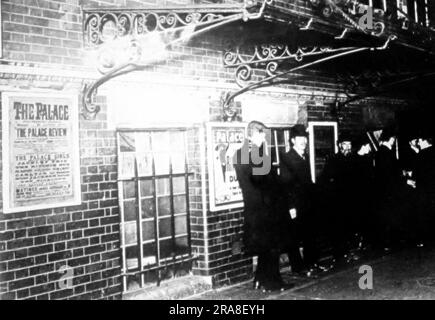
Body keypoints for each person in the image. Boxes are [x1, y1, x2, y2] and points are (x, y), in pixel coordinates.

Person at [233, 121, 292, 292]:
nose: (265, 137)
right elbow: (262, 182)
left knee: (265, 247)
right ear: (253, 134)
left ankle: (260, 279)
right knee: (272, 246)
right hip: (264, 209)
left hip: (255, 209)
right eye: (262, 134)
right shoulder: (254, 155)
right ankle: (273, 282)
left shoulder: (242, 154)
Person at [278, 124, 320, 274]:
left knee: (309, 234)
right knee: (294, 237)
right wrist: (291, 207)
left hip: (307, 203)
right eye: (299, 138)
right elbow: (285, 185)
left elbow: (306, 182)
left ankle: (311, 263)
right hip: (295, 205)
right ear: (293, 141)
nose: (303, 141)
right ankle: (298, 267)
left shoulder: (305, 156)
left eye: (305, 138)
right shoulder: (287, 158)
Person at [320, 132, 359, 264]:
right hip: (337, 200)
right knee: (338, 229)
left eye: (349, 144)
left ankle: (349, 252)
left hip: (351, 199)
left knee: (350, 228)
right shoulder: (333, 159)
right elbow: (325, 179)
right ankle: (339, 254)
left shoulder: (354, 159)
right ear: (339, 145)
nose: (347, 147)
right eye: (345, 144)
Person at [373, 126, 405, 251]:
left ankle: (386, 242)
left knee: (386, 217)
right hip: (390, 191)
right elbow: (392, 173)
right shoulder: (387, 153)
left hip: (383, 190)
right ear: (391, 139)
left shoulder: (379, 152)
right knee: (391, 217)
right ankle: (390, 242)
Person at [353, 133, 376, 250]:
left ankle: (367, 241)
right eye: (368, 146)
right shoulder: (354, 160)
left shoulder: (368, 159)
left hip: (368, 195)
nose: (370, 148)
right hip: (359, 196)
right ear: (363, 146)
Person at [414, 129, 435, 246]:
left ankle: (425, 239)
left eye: (419, 141)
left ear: (423, 141)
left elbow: (416, 174)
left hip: (424, 189)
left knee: (424, 213)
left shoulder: (421, 154)